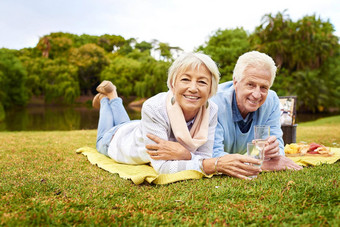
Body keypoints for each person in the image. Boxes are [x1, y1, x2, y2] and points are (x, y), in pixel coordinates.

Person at [93, 52, 262, 175]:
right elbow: (162, 167)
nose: (193, 88)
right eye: (185, 79)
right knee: (106, 135)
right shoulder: (154, 107)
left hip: (137, 127)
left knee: (126, 123)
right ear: (173, 85)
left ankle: (113, 96)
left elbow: (204, 155)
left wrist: (186, 155)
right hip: (116, 141)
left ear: (211, 89)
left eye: (202, 82)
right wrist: (211, 164)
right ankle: (107, 100)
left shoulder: (211, 110)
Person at [147, 51, 302, 179]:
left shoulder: (272, 100)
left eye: (264, 87)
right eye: (250, 84)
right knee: (124, 128)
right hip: (131, 138)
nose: (257, 94)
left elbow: (278, 150)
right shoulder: (213, 103)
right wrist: (264, 164)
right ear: (235, 82)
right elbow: (214, 156)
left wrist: (271, 152)